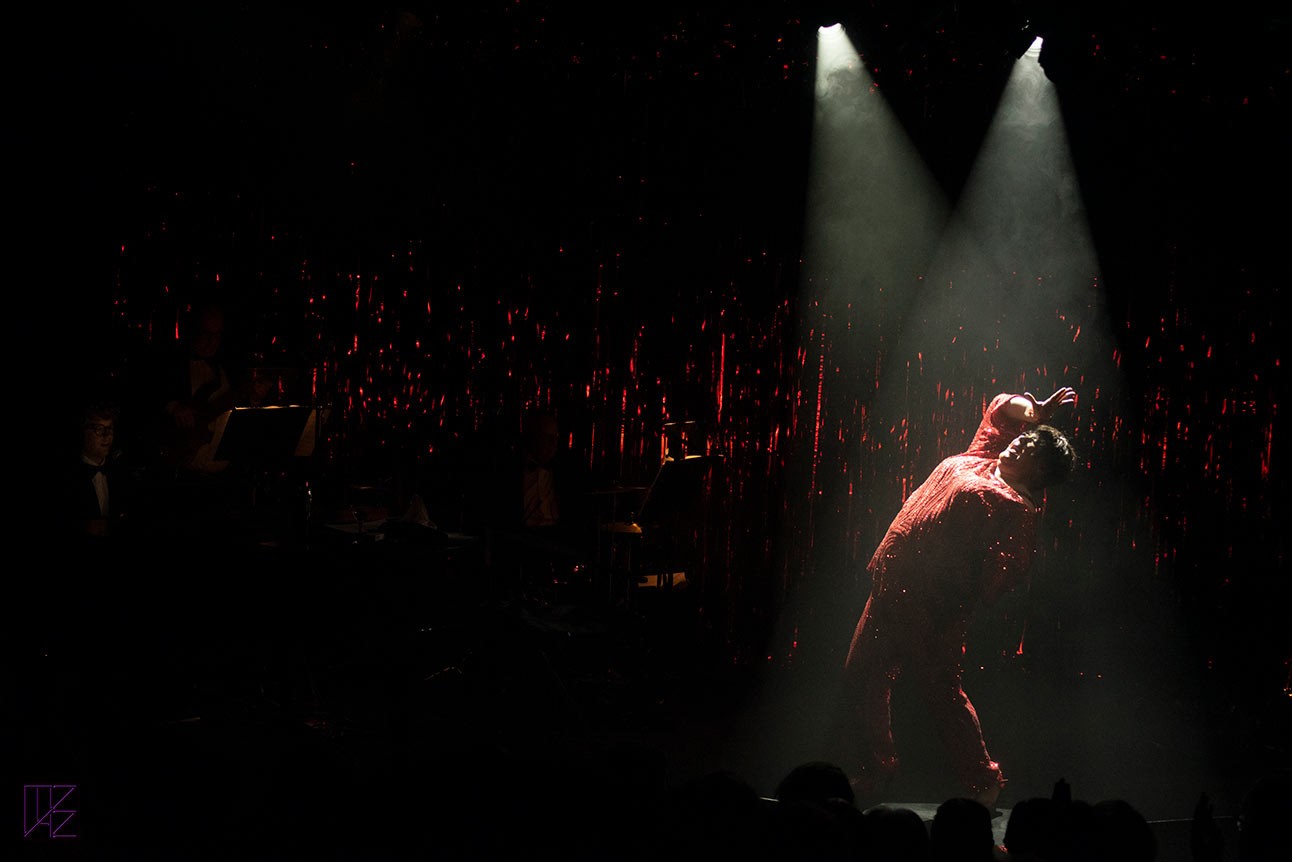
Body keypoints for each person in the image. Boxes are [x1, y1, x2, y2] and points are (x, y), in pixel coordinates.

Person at [843, 386, 1078, 811]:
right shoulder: (982, 458)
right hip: (889, 589)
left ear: (1039, 470)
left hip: (931, 611)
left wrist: (948, 585)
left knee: (942, 696)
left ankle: (984, 779)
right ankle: (875, 770)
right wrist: (1036, 414)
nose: (1018, 443)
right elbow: (1001, 407)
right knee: (862, 676)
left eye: (1029, 447)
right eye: (1024, 438)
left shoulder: (1016, 510)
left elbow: (997, 581)